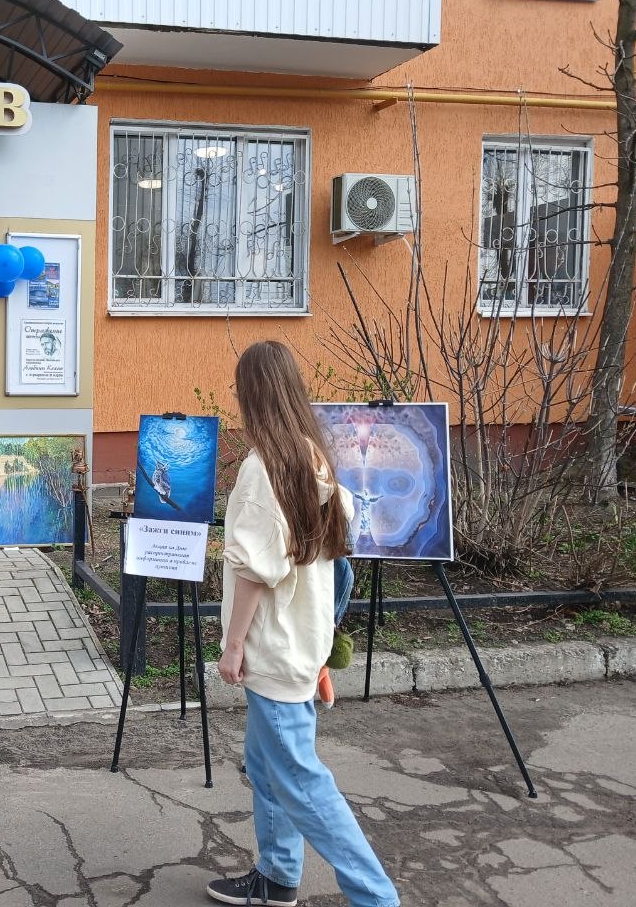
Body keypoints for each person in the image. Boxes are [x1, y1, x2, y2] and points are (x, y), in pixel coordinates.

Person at [209, 341, 399, 907]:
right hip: (298, 645)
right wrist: (323, 638)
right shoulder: (314, 458)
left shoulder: (262, 468)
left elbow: (253, 571)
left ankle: (376, 898)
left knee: (301, 781)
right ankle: (277, 876)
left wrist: (233, 647)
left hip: (273, 650)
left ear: (252, 395)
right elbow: (340, 560)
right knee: (269, 768)